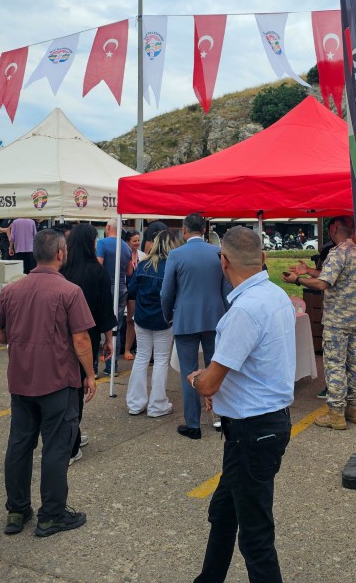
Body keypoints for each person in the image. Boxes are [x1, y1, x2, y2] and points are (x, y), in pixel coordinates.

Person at [186, 226, 295, 583]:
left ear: (223, 261)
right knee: (223, 513)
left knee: (255, 536)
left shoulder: (243, 311)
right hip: (258, 428)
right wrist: (215, 380)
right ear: (263, 258)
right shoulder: (276, 295)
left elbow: (211, 383)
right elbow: (247, 363)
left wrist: (198, 380)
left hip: (253, 431)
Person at [0, 229, 97, 537]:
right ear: (61, 253)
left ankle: (17, 511)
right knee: (56, 448)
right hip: (58, 381)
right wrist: (89, 374)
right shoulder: (69, 291)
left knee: (20, 445)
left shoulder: (12, 289)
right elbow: (81, 339)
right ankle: (52, 514)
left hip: (21, 380)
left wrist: (20, 340)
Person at [283, 215, 356, 430]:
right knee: (353, 363)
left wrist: (297, 279)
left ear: (335, 228)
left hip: (337, 319)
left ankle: (336, 413)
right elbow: (332, 276)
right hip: (354, 317)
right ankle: (354, 407)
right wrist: (308, 271)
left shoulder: (338, 252)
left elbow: (322, 283)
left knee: (335, 365)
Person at [162, 213, 228, 440]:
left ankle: (193, 424)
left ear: (184, 230)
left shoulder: (176, 254)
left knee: (188, 372)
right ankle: (220, 416)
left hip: (186, 319)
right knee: (216, 368)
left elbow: (166, 292)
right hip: (215, 318)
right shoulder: (217, 252)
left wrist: (168, 315)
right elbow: (226, 289)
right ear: (204, 229)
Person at [60, 223, 115, 464]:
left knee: (65, 386)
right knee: (81, 385)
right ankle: (71, 443)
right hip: (88, 336)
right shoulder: (97, 271)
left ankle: (73, 434)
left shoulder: (61, 269)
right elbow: (105, 308)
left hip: (61, 336)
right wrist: (109, 339)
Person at [126, 230, 180, 418]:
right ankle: (157, 405)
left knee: (141, 357)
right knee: (160, 360)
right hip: (164, 320)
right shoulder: (172, 267)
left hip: (142, 318)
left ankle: (135, 403)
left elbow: (131, 291)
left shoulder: (142, 265)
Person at [97, 219, 134, 368]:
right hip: (121, 288)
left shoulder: (102, 243)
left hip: (106, 289)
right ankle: (113, 366)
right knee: (116, 327)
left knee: (98, 324)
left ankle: (95, 365)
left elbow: (98, 265)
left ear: (107, 227)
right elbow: (130, 271)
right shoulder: (126, 247)